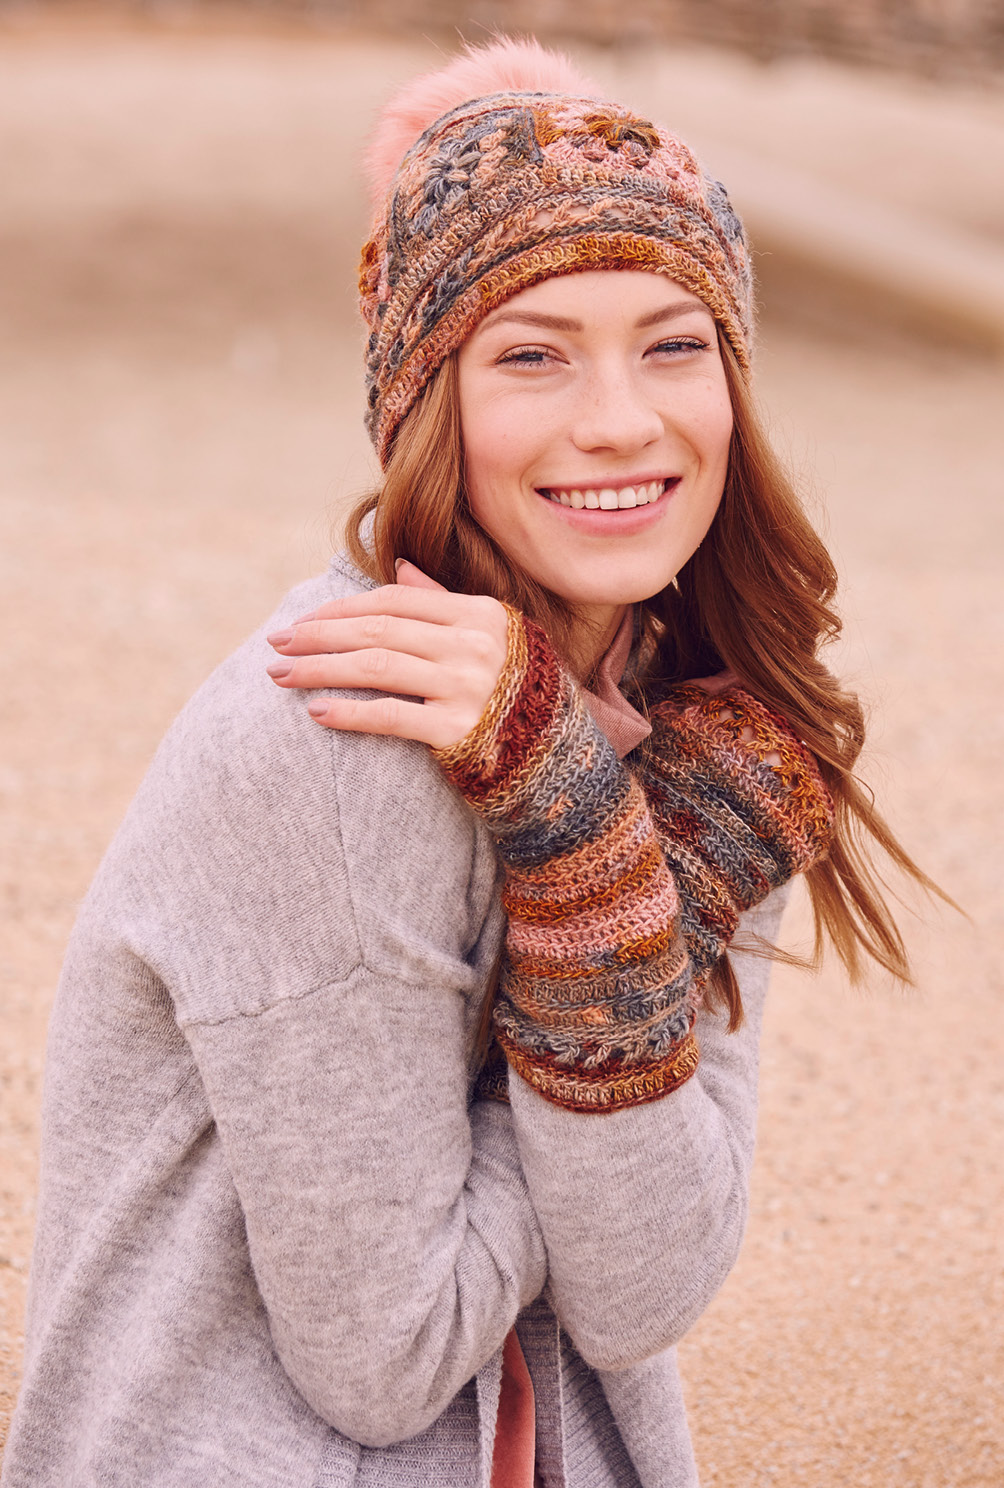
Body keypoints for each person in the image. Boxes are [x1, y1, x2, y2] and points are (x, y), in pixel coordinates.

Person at [2, 37, 940, 1488]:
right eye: (531, 355)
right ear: (427, 403)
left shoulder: (712, 744)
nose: (620, 418)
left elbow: (644, 1291)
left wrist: (624, 866)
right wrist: (599, 884)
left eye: (674, 342)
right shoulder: (331, 736)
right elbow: (382, 1356)